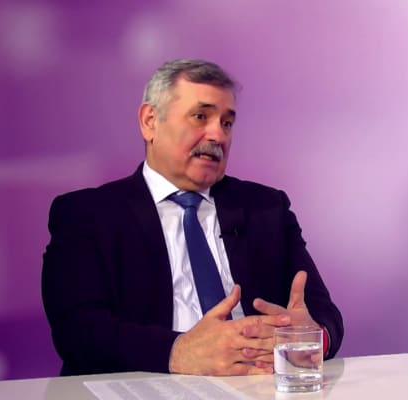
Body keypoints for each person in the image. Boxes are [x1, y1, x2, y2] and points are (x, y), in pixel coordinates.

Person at [41, 59, 343, 376]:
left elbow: (324, 315)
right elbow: (78, 331)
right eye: (201, 116)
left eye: (227, 123)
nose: (217, 135)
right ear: (150, 121)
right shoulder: (87, 214)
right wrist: (177, 352)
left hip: (258, 386)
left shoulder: (266, 208)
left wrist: (312, 338)